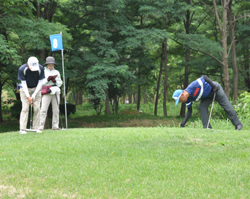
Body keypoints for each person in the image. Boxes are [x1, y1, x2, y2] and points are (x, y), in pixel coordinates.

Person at [172, 75, 243, 130]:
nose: (181, 102)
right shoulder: (187, 99)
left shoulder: (193, 86)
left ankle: (238, 124)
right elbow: (189, 111)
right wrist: (183, 123)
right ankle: (207, 127)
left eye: (180, 100)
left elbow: (205, 77)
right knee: (201, 107)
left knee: (226, 106)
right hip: (207, 96)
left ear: (182, 95)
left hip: (215, 89)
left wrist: (214, 86)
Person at [18, 56, 45, 134]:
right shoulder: (22, 69)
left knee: (37, 108)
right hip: (25, 89)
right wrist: (29, 97)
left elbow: (40, 82)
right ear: (27, 64)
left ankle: (36, 127)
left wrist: (35, 94)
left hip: (36, 88)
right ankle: (22, 129)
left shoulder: (40, 68)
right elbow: (23, 84)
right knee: (25, 108)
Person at [39, 56, 63, 130]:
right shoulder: (43, 71)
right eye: (49, 65)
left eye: (52, 65)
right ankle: (40, 126)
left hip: (56, 90)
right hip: (47, 91)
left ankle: (55, 125)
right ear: (47, 65)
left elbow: (60, 82)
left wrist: (55, 81)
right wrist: (47, 79)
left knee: (56, 109)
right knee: (43, 109)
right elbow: (41, 83)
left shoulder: (57, 72)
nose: (51, 66)